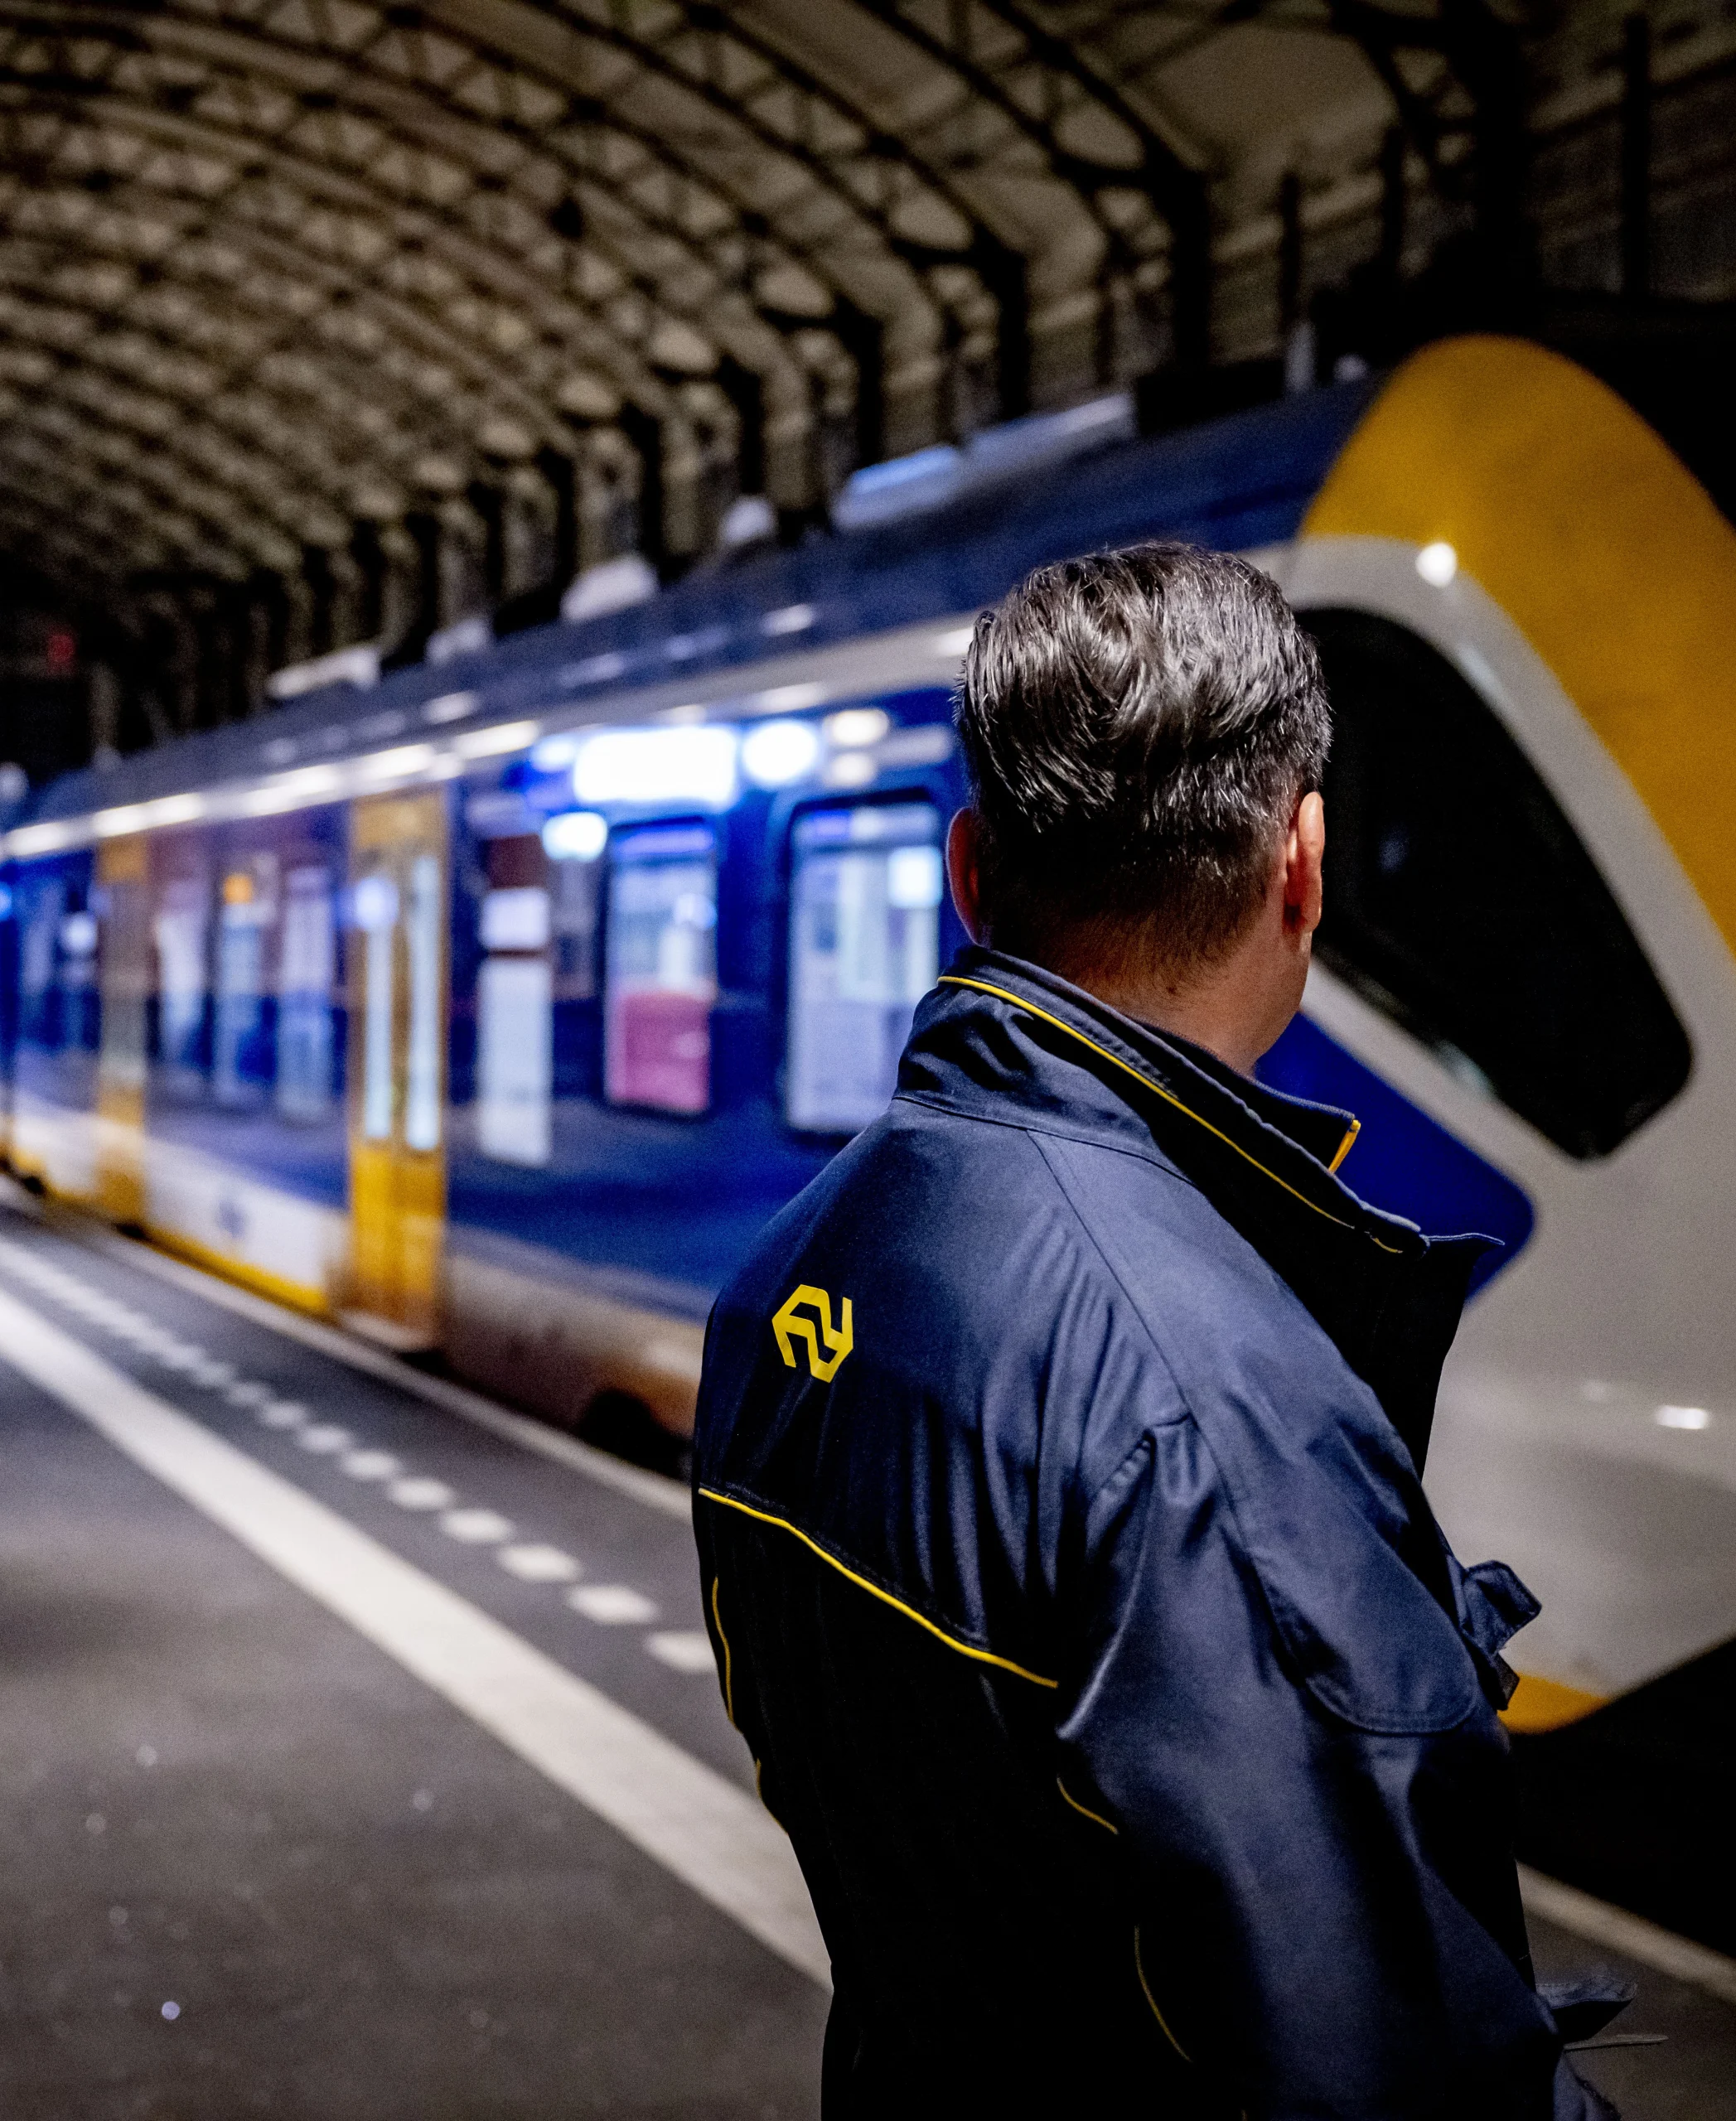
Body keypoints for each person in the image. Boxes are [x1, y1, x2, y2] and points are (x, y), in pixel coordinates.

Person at [691, 543, 1621, 2118]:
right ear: (1301, 864)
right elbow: (1384, 2067)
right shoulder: (1214, 1426)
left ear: (970, 872)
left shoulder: (787, 1278)